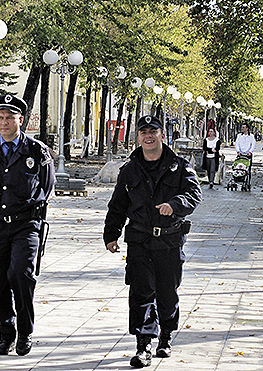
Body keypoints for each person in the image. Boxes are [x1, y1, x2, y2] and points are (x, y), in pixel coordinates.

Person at [103, 115, 202, 368]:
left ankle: (166, 335)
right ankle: (143, 344)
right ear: (138, 137)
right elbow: (118, 205)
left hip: (169, 240)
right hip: (139, 240)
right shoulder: (129, 170)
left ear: (162, 135)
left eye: (153, 131)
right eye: (143, 132)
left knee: (167, 292)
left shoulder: (179, 166)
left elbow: (194, 194)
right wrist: (111, 234)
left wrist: (175, 205)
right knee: (140, 292)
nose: (148, 136)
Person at [0, 94, 55, 356]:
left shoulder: (36, 151)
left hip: (25, 224)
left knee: (20, 275)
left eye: (10, 117)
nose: (4, 122)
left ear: (21, 119)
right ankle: (6, 334)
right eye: (0, 117)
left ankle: (25, 332)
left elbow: (47, 185)